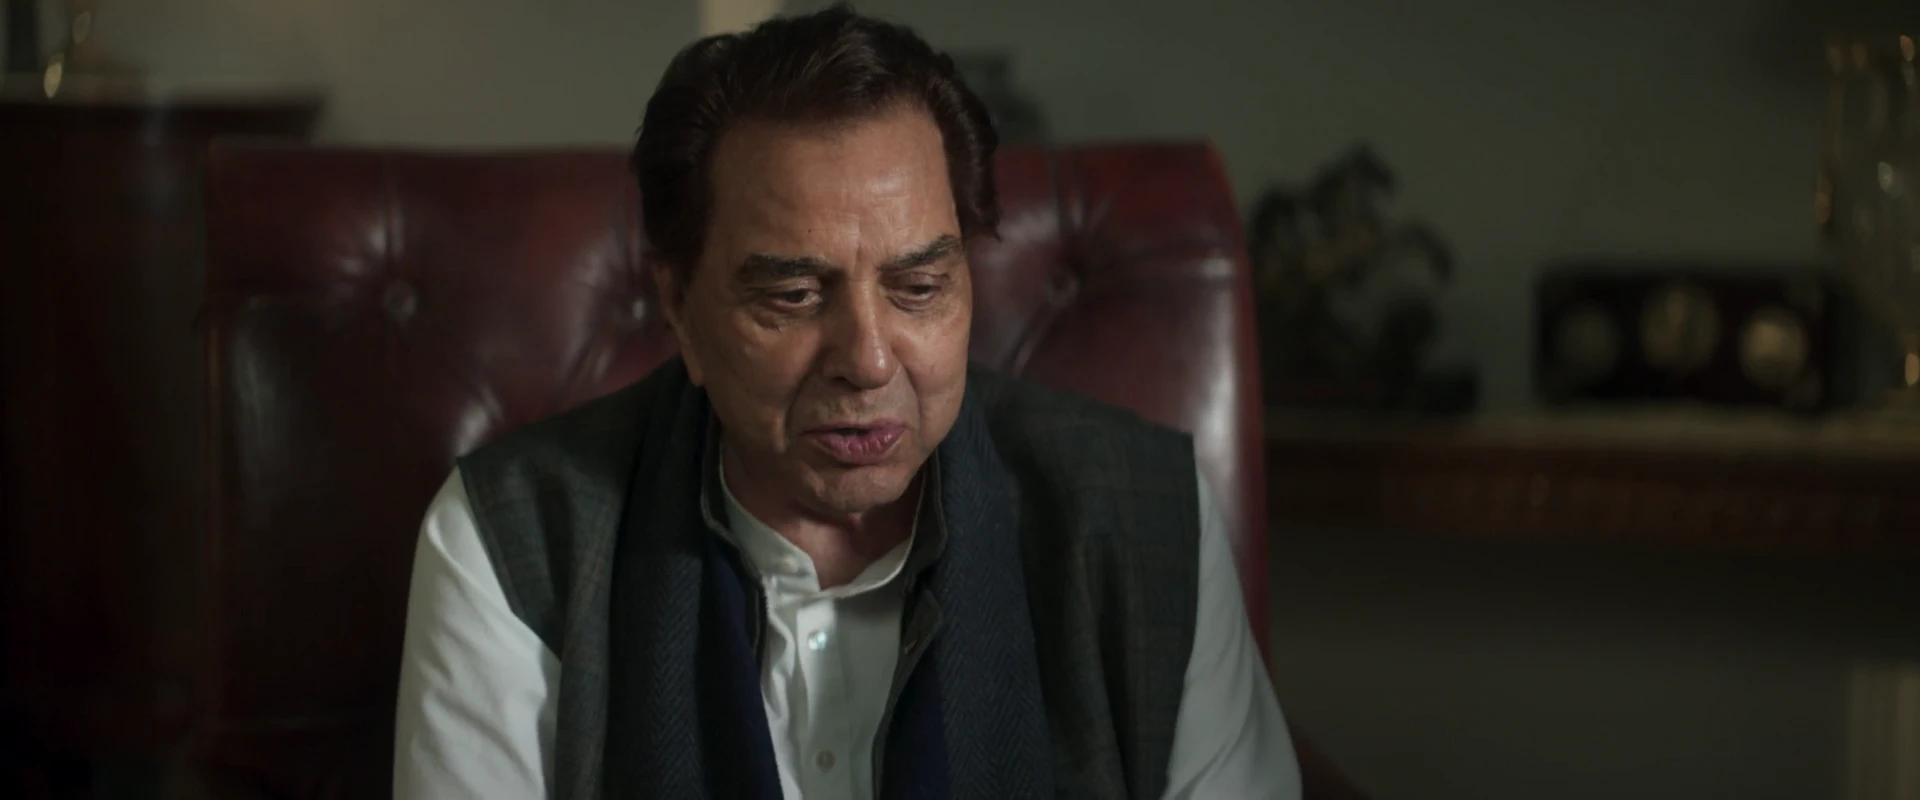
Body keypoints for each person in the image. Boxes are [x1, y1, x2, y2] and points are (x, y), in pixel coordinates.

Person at [392, 5, 1302, 799]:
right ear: (679, 307)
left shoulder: (1146, 521)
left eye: (919, 288)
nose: (867, 361)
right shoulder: (511, 539)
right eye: (793, 297)